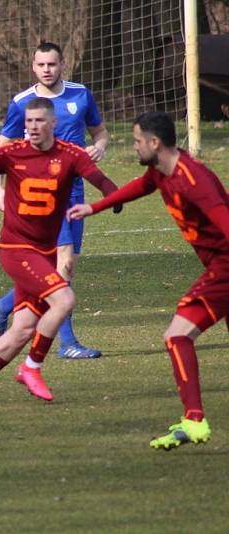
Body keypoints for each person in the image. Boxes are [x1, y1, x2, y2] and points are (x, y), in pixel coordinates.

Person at [0, 97, 120, 406]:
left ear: (53, 124)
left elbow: (99, 179)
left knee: (22, 329)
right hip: (16, 248)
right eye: (28, 122)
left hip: (44, 251)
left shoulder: (70, 155)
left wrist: (111, 196)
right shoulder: (11, 153)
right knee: (65, 298)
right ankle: (32, 368)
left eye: (39, 121)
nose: (32, 127)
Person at [68, 111, 225, 450]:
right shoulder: (161, 172)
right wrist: (94, 208)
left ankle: (194, 420)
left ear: (155, 143)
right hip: (218, 266)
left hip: (225, 269)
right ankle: (193, 419)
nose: (134, 146)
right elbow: (139, 187)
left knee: (177, 335)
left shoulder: (194, 181)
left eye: (138, 141)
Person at [0, 42, 110, 359]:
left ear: (61, 64)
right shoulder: (22, 103)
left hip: (74, 193)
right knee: (62, 266)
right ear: (33, 66)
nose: (46, 70)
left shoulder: (80, 95)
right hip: (37, 197)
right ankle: (67, 343)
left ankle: (0, 307)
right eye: (41, 65)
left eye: (52, 64)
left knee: (61, 267)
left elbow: (100, 132)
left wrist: (100, 147)